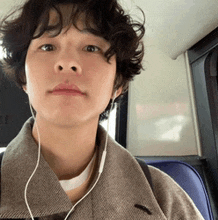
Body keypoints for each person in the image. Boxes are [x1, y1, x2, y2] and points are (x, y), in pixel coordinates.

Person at [0, 0, 204, 219]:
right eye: (48, 46)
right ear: (23, 77)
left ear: (117, 84)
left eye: (91, 48)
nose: (67, 62)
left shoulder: (163, 197)